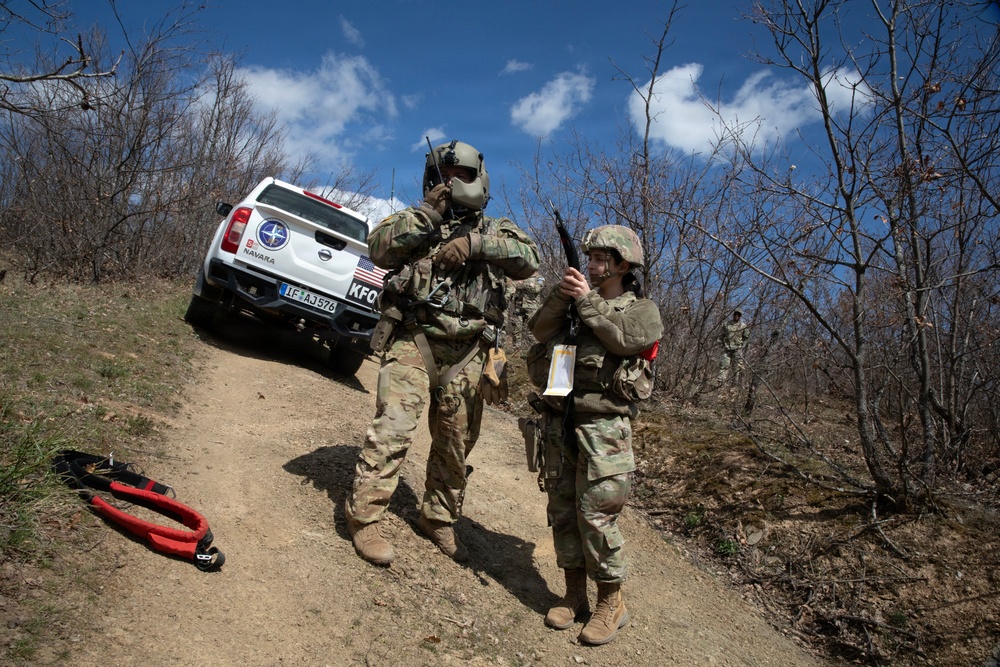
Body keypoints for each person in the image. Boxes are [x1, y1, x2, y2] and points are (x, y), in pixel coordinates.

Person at [345, 140, 539, 566]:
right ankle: (365, 517)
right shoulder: (417, 220)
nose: (450, 184)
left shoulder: (498, 229)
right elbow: (377, 248)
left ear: (479, 181)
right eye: (442, 177)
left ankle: (438, 518)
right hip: (414, 338)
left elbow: (529, 259)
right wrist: (427, 216)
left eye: (460, 176)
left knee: (455, 443)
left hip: (470, 350)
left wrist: (476, 245)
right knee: (393, 428)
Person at [525, 225, 663, 645]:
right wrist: (562, 295)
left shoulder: (642, 310)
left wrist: (586, 300)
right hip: (559, 420)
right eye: (590, 257)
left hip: (604, 431)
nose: (592, 264)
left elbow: (625, 339)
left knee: (597, 517)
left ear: (623, 265)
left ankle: (610, 603)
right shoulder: (572, 301)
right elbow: (539, 330)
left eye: (601, 259)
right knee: (563, 510)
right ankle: (573, 594)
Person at [717, 308, 749, 383]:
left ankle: (734, 383)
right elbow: (721, 335)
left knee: (737, 367)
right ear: (733, 314)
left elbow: (746, 337)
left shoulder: (743, 326)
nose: (737, 316)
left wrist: (742, 345)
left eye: (738, 315)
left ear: (740, 316)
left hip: (737, 349)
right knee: (724, 364)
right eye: (735, 314)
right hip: (726, 348)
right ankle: (720, 382)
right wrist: (721, 344)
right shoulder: (726, 324)